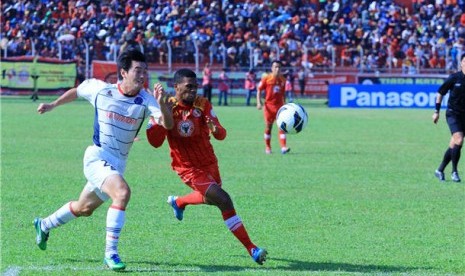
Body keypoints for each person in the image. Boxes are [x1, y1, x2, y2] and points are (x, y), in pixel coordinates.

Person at [33, 49, 174, 271]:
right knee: (122, 193)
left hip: (117, 163)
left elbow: (167, 125)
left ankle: (44, 224)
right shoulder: (101, 90)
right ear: (123, 72)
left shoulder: (146, 99)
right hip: (97, 157)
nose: (142, 75)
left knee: (84, 208)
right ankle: (111, 254)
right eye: (137, 70)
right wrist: (53, 105)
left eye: (145, 71)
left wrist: (163, 105)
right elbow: (77, 91)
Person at [145, 68, 267, 265]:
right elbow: (155, 142)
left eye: (195, 86)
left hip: (209, 162)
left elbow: (221, 134)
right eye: (188, 87)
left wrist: (215, 128)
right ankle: (252, 248)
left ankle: (179, 202)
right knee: (224, 200)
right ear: (176, 87)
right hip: (188, 168)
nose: (193, 91)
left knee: (212, 200)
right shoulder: (166, 106)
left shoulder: (203, 104)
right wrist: (161, 114)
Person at [433, 54, 465, 183]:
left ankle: (439, 170)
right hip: (453, 114)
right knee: (459, 139)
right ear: (461, 63)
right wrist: (436, 111)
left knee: (454, 144)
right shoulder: (454, 78)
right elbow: (440, 93)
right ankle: (454, 172)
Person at [256, 60, 290, 154]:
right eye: (275, 67)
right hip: (269, 107)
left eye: (279, 67)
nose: (277, 69)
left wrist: (285, 105)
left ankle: (283, 147)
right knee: (268, 127)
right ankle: (268, 147)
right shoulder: (266, 78)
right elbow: (259, 90)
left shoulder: (283, 80)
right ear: (272, 68)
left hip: (279, 107)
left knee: (282, 127)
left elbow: (283, 94)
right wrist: (259, 103)